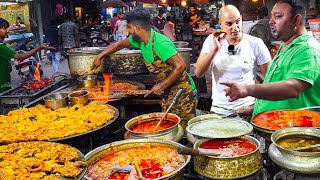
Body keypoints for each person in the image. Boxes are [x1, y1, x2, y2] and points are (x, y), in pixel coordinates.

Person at [92, 8, 196, 128]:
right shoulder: (141, 41)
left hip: (183, 92)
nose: (128, 31)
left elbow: (180, 66)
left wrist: (161, 86)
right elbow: (119, 44)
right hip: (168, 92)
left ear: (137, 28)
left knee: (182, 130)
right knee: (169, 126)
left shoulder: (160, 43)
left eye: (129, 28)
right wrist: (100, 56)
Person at [221, 0, 320, 120]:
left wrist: (247, 89)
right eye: (271, 16)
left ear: (296, 20)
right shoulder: (286, 46)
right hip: (273, 123)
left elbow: (293, 88)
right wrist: (255, 109)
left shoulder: (307, 49)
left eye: (278, 16)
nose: (271, 21)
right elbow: (278, 88)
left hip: (292, 132)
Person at [194, 5, 271, 116]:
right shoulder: (212, 40)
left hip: (245, 110)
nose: (235, 28)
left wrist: (254, 107)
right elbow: (198, 72)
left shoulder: (255, 43)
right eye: (229, 24)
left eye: (238, 22)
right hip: (217, 108)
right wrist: (215, 49)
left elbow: (270, 79)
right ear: (220, 24)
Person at [0, 18, 54, 93]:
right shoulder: (1, 47)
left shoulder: (3, 44)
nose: (7, 30)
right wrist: (39, 47)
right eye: (4, 28)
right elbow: (20, 57)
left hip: (5, 80)